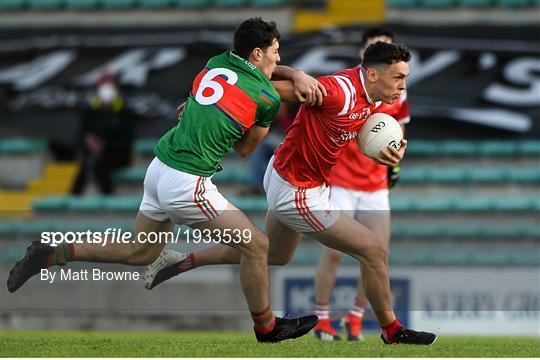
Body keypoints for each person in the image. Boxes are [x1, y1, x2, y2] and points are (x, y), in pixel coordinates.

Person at [7, 18, 327, 343]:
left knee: (141, 252)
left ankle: (52, 252)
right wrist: (268, 112)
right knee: (256, 246)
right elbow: (246, 149)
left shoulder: (217, 62)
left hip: (160, 167)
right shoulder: (266, 99)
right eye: (275, 51)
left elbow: (257, 82)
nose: (278, 57)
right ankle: (267, 327)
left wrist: (296, 75)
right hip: (187, 181)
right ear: (257, 53)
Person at [144, 41, 437, 345]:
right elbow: (260, 87)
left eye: (404, 78)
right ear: (374, 75)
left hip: (293, 177)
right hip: (296, 190)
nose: (402, 86)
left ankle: (182, 260)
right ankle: (392, 330)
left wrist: (387, 151)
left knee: (276, 254)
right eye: (398, 77)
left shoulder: (374, 98)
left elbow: (344, 131)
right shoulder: (336, 90)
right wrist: (201, 106)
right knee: (373, 249)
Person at [312, 28, 410, 342]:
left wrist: (394, 161)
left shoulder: (398, 91)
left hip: (375, 183)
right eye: (376, 46)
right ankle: (321, 318)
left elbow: (399, 132)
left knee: (378, 253)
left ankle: (355, 318)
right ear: (364, 56)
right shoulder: (346, 88)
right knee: (333, 254)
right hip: (341, 179)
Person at [71, 73, 134, 195]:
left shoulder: (123, 113)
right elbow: (82, 135)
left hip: (117, 156)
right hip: (94, 155)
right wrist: (89, 143)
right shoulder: (90, 112)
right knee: (86, 166)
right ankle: (73, 198)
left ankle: (108, 196)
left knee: (99, 164)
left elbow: (126, 139)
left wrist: (104, 145)